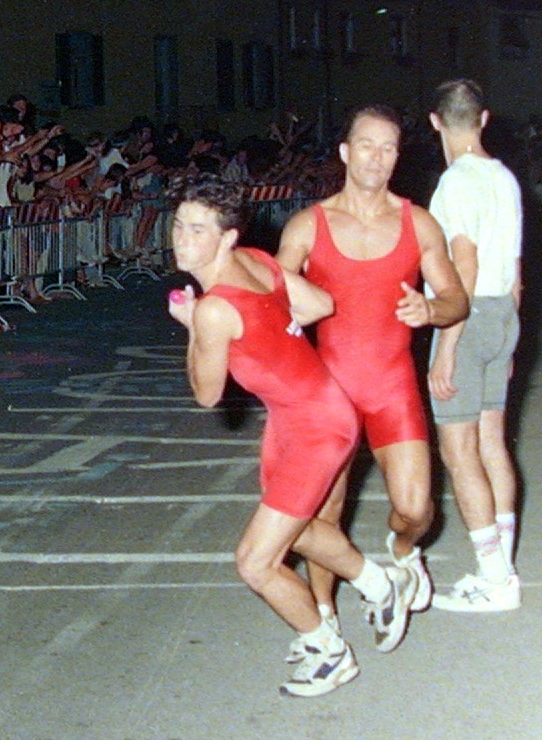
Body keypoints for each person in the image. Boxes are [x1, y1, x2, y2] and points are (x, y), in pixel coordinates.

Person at [169, 182, 396, 696]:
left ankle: (329, 652)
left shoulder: (212, 309)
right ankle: (381, 585)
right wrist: (271, 331)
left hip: (315, 428)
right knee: (299, 530)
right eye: (179, 225)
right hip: (303, 417)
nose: (182, 238)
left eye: (198, 230)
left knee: (255, 561)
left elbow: (207, 395)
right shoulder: (255, 260)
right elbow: (317, 304)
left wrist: (193, 327)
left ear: (227, 237)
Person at [277, 106, 467, 619]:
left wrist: (430, 309)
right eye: (366, 145)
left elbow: (456, 300)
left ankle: (403, 555)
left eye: (387, 148)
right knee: (326, 511)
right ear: (345, 152)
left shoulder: (418, 223)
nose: (376, 157)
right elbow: (272, 302)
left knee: (416, 509)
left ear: (397, 157)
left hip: (391, 386)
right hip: (329, 390)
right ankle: (324, 615)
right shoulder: (307, 225)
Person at [424, 80, 526, 614]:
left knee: (458, 451)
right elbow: (515, 270)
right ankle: (501, 567)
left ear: (435, 122)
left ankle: (495, 580)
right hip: (503, 312)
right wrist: (507, 340)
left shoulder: (454, 184)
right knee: (492, 443)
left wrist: (448, 345)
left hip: (468, 316)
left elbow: (463, 264)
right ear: (483, 119)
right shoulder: (504, 178)